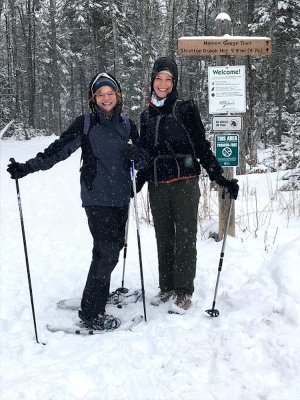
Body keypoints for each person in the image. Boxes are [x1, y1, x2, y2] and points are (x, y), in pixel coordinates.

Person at [7, 72, 147, 330]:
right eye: (100, 94)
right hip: (96, 198)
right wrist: (28, 167)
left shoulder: (128, 125)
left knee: (112, 250)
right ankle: (91, 312)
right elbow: (58, 150)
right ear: (93, 99)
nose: (106, 98)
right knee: (106, 252)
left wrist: (136, 154)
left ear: (118, 96)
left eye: (110, 93)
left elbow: (141, 161)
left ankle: (97, 293)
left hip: (121, 198)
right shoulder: (85, 124)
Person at [136, 57, 239, 314]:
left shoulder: (185, 109)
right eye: (158, 79)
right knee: (164, 237)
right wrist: (136, 184)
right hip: (158, 185)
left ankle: (183, 291)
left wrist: (220, 179)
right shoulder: (146, 116)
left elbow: (202, 148)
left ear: (174, 82)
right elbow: (146, 156)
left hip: (185, 183)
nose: (162, 84)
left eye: (168, 79)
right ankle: (167, 286)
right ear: (152, 81)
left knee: (184, 237)